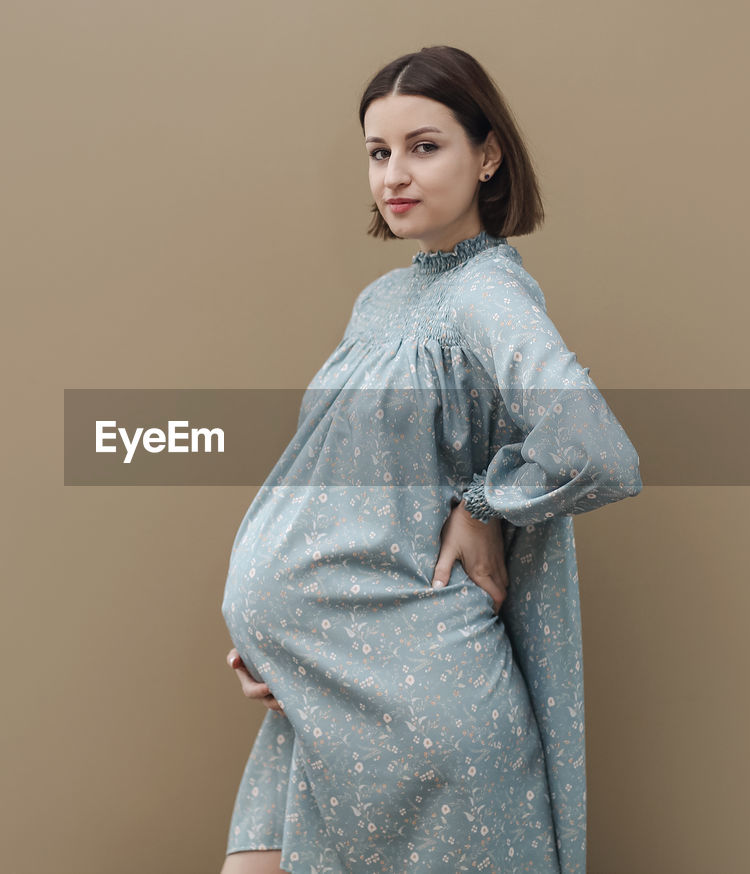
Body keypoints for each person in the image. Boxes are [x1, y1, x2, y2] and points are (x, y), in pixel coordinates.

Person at [219, 46, 641, 874]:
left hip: (417, 699)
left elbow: (598, 452)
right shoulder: (383, 299)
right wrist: (280, 638)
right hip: (333, 679)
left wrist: (485, 505)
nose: (394, 175)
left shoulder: (488, 293)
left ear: (487, 156)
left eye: (424, 146)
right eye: (379, 153)